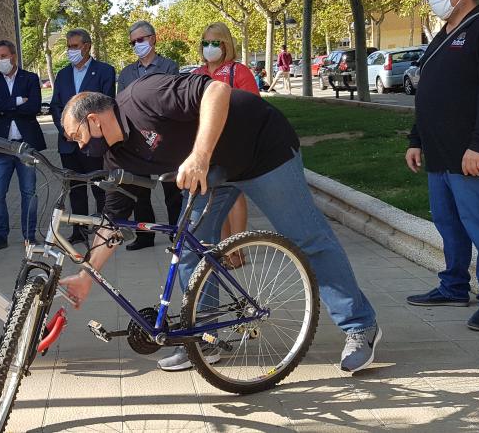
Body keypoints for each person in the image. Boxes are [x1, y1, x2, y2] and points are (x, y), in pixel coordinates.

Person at [56, 74, 380, 373]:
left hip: (262, 149)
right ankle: (207, 338)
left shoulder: (143, 96)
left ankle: (360, 326)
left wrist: (199, 155)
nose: (80, 147)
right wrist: (87, 275)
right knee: (188, 246)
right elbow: (112, 222)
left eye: (78, 136)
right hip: (214, 170)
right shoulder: (118, 157)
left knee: (307, 238)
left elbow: (216, 90)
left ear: (94, 119)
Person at [404, 0, 479, 331]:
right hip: (438, 152)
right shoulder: (443, 33)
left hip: (472, 153)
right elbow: (429, 91)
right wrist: (416, 139)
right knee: (449, 225)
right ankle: (454, 286)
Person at [192, 22, 259, 267]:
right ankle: (222, 249)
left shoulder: (238, 72)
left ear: (226, 45)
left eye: (215, 43)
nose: (210, 48)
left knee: (233, 195)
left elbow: (254, 108)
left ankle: (237, 251)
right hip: (205, 143)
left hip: (233, 142)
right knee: (212, 197)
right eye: (205, 43)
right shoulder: (197, 74)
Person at [116, 20, 181, 251]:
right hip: (136, 142)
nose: (136, 45)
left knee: (172, 192)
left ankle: (177, 235)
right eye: (133, 42)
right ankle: (145, 236)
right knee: (139, 193)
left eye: (140, 40)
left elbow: (174, 102)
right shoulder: (126, 73)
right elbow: (120, 105)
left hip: (165, 141)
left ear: (153, 39)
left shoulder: (169, 67)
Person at [49, 28, 116, 244]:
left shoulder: (105, 71)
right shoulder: (63, 74)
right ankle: (79, 231)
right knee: (75, 189)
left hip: (94, 142)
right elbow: (56, 106)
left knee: (99, 188)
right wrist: (67, 131)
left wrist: (84, 131)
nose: (70, 50)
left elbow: (106, 104)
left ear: (87, 46)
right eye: (69, 46)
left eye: (74, 46)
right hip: (68, 144)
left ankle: (103, 230)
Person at [0, 40, 46, 252]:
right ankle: (0, 236)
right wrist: (19, 100)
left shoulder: (30, 78)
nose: (1, 60)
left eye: (4, 56)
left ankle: (30, 236)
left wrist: (4, 104)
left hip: (25, 145)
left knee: (29, 192)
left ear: (14, 56)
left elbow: (34, 106)